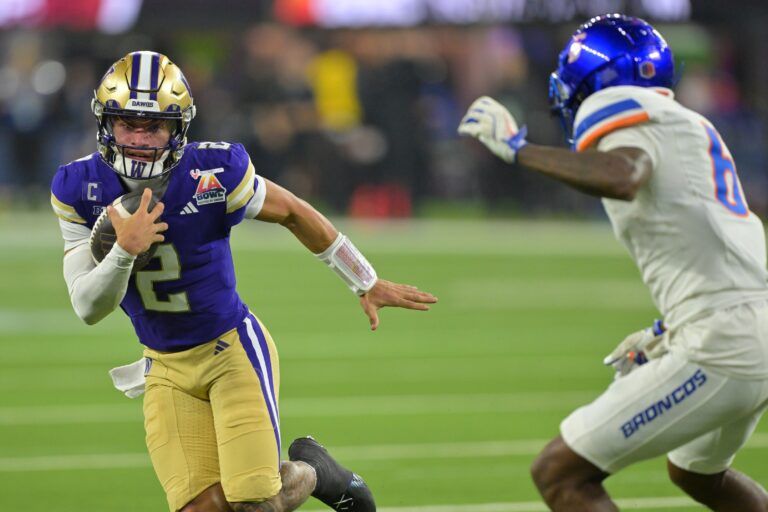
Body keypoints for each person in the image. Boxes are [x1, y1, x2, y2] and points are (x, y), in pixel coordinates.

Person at [50, 51, 437, 512]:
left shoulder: (212, 172)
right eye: (127, 122)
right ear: (104, 123)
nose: (138, 138)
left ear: (178, 128)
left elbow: (293, 210)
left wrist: (364, 280)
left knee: (256, 503)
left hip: (229, 351)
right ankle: (307, 471)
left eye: (153, 126)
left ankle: (314, 473)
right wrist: (123, 251)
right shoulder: (79, 187)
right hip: (165, 367)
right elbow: (87, 308)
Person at [459, 14, 768, 512]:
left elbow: (625, 174)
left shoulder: (620, 106)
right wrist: (673, 325)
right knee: (697, 473)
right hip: (751, 325)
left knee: (560, 474)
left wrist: (520, 151)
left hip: (724, 340)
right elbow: (714, 236)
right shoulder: (686, 123)